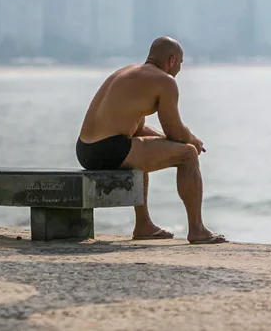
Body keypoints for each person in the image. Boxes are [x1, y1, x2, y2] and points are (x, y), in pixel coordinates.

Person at [76, 36, 226, 244]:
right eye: (180, 64)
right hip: (111, 149)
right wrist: (192, 141)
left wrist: (167, 141)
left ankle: (144, 225)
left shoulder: (126, 73)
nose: (179, 70)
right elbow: (175, 131)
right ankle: (197, 229)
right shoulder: (165, 82)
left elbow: (138, 128)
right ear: (172, 61)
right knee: (188, 155)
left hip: (85, 150)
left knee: (141, 148)